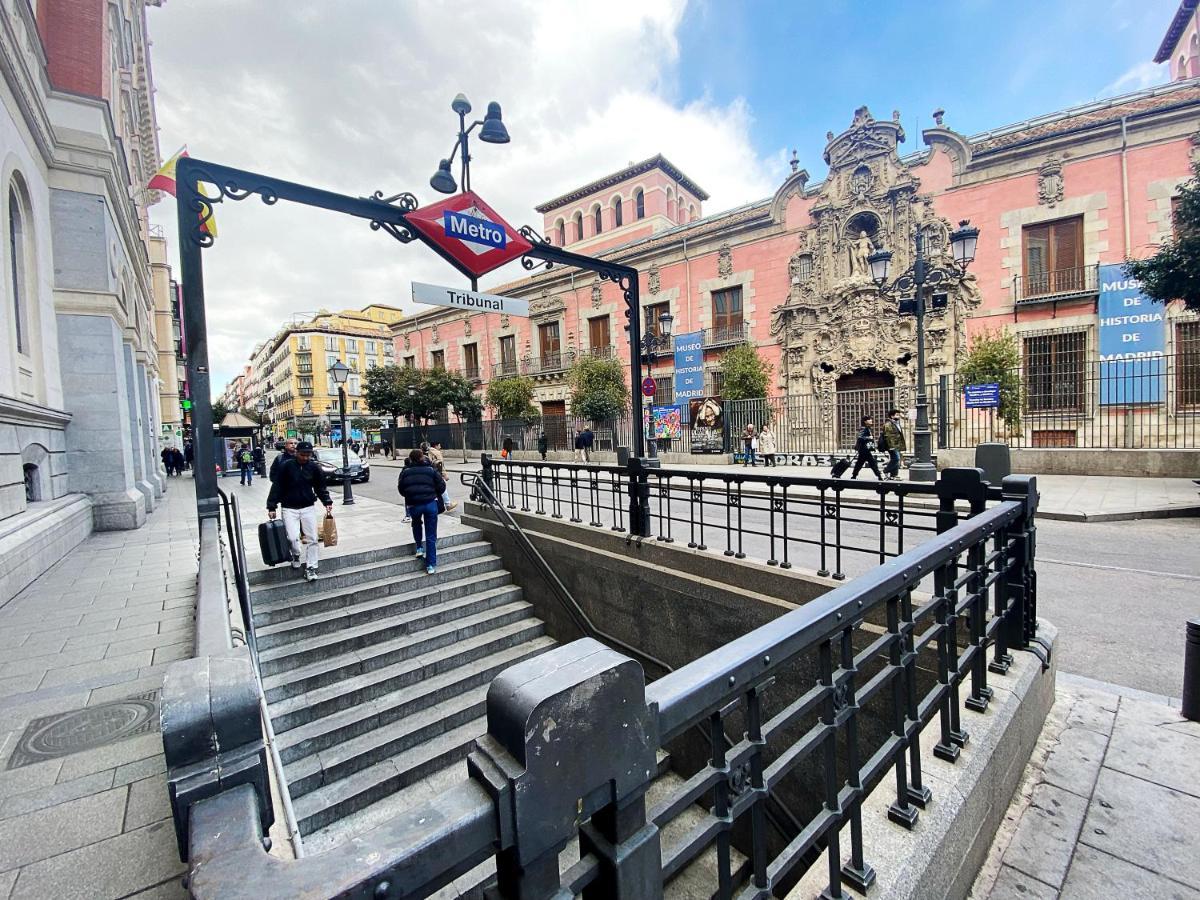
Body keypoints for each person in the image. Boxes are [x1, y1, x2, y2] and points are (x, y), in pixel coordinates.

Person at [266, 440, 333, 582]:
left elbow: (320, 487)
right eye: (303, 454)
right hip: (289, 507)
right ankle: (295, 554)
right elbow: (277, 487)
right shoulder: (286, 467)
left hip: (308, 507)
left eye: (308, 455)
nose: (305, 458)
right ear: (297, 453)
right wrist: (271, 506)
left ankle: (311, 567)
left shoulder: (314, 468)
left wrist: (327, 502)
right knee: (292, 537)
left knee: (313, 538)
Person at [397, 447, 446, 575]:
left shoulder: (405, 472)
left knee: (416, 523)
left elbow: (401, 489)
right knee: (431, 535)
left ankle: (419, 547)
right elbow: (442, 486)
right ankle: (430, 565)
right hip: (430, 503)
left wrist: (411, 495)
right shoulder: (431, 470)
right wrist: (433, 492)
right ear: (421, 458)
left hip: (414, 505)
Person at [423, 440, 456, 512]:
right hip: (437, 473)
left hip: (428, 472)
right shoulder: (436, 453)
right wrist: (445, 475)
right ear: (436, 446)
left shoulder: (426, 452)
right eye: (439, 445)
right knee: (442, 487)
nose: (440, 447)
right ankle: (448, 504)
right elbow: (440, 465)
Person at [852, 415, 883, 480]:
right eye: (869, 419)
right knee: (872, 463)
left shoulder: (867, 428)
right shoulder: (864, 428)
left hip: (864, 449)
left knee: (860, 463)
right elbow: (860, 437)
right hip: (864, 449)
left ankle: (854, 475)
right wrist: (868, 437)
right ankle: (879, 475)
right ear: (865, 421)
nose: (871, 420)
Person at [880, 409, 907, 481]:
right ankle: (885, 470)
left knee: (896, 459)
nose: (899, 416)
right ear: (892, 416)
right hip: (892, 446)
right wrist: (891, 446)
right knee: (896, 459)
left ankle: (894, 475)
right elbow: (888, 436)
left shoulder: (896, 423)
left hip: (897, 445)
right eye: (897, 415)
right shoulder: (888, 424)